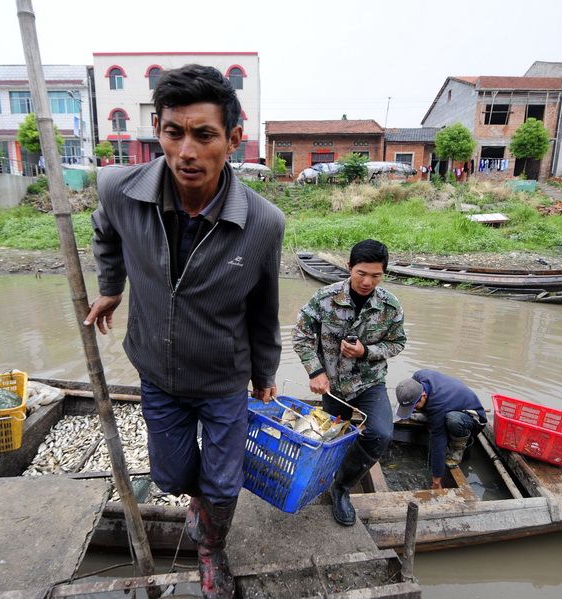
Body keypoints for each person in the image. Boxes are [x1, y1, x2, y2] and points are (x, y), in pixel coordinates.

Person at [84, 64, 285, 599]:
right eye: (174, 133)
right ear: (158, 130)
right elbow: (104, 232)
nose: (187, 152)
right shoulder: (119, 188)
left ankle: (212, 549)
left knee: (224, 482)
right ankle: (198, 504)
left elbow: (265, 307)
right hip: (158, 368)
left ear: (234, 141)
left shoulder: (264, 222)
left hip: (224, 375)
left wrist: (265, 372)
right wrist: (111, 285)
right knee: (172, 477)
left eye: (204, 135)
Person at [292, 240, 406, 526]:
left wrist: (366, 352)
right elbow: (301, 336)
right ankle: (318, 476)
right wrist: (315, 371)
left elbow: (397, 343)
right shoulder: (324, 299)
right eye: (361, 273)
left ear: (383, 274)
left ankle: (341, 486)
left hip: (369, 384)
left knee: (380, 434)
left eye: (376, 275)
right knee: (329, 437)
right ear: (349, 268)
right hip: (332, 385)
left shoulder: (389, 306)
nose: (367, 281)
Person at [395, 369, 487, 490]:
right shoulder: (418, 376)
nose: (413, 408)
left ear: (423, 395)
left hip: (472, 418)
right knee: (421, 415)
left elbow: (438, 442)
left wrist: (436, 480)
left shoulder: (439, 405)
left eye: (415, 405)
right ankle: (428, 414)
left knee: (452, 420)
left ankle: (457, 450)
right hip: (450, 403)